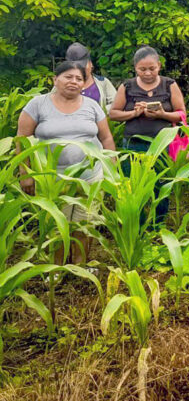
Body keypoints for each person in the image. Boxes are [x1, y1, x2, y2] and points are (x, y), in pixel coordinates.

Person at [17, 61, 116, 264]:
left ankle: (81, 267)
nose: (73, 81)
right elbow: (22, 139)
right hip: (51, 180)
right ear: (55, 80)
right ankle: (56, 270)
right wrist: (25, 173)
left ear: (83, 83)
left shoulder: (92, 106)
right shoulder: (38, 104)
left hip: (90, 177)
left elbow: (106, 138)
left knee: (85, 225)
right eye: (68, 77)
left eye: (79, 78)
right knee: (55, 226)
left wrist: (111, 167)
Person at [109, 46, 187, 226]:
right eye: (142, 69)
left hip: (162, 144)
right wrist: (134, 114)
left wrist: (162, 114)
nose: (147, 73)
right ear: (135, 67)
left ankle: (158, 224)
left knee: (161, 184)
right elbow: (113, 114)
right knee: (134, 187)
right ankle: (138, 225)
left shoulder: (169, 84)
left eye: (152, 68)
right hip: (134, 145)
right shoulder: (127, 86)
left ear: (159, 65)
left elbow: (182, 114)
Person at [64, 42, 118, 109]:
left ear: (91, 64)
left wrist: (98, 112)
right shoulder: (62, 84)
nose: (80, 70)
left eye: (82, 66)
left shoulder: (103, 82)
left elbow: (116, 104)